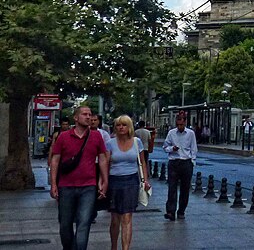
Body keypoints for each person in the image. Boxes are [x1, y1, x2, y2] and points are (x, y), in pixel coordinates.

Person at [49, 104, 108, 250]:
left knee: (84, 222)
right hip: (66, 186)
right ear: (76, 118)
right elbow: (55, 160)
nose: (88, 117)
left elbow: (102, 158)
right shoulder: (63, 137)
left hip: (88, 186)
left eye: (90, 114)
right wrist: (53, 184)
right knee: (65, 224)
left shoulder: (96, 136)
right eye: (84, 114)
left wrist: (104, 180)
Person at [106, 115, 151, 250]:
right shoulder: (110, 143)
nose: (121, 127)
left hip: (131, 181)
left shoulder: (137, 142)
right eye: (118, 125)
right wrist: (103, 182)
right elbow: (106, 163)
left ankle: (126, 248)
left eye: (124, 125)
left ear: (129, 127)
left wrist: (145, 180)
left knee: (127, 217)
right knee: (115, 219)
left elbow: (142, 162)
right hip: (114, 181)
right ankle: (114, 246)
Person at [162, 111, 197, 221]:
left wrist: (192, 161)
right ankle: (170, 211)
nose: (180, 127)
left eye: (182, 124)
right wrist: (172, 148)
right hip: (174, 162)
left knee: (185, 188)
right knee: (172, 187)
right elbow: (165, 147)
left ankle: (181, 210)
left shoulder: (190, 133)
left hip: (186, 162)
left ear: (185, 122)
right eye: (178, 124)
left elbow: (194, 148)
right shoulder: (171, 133)